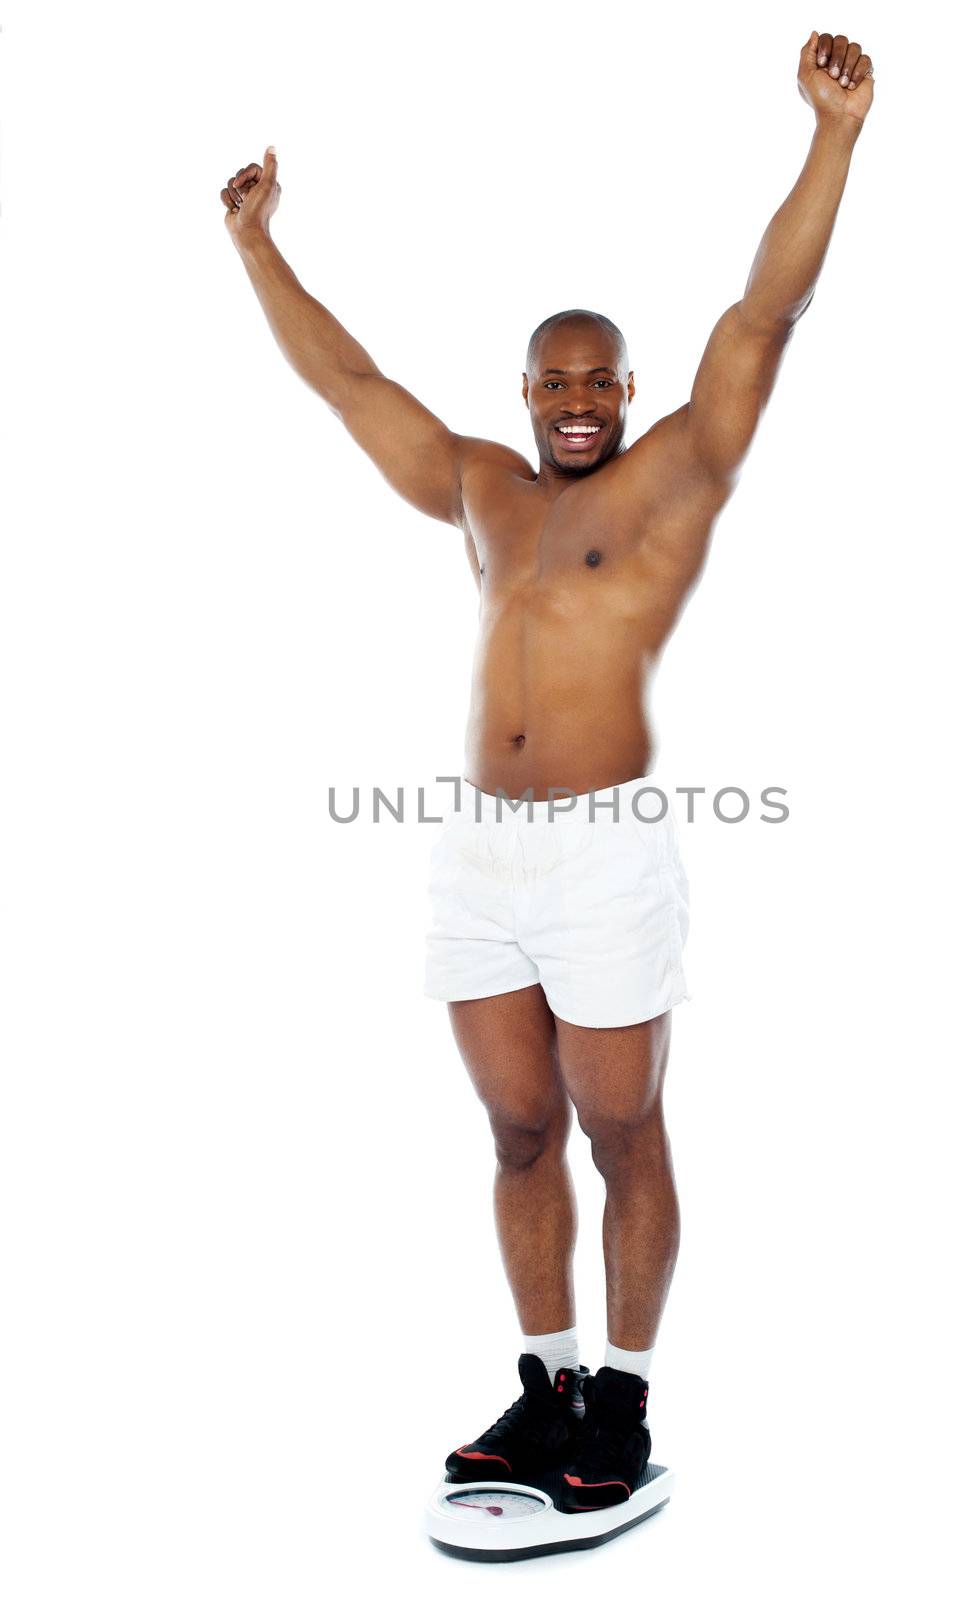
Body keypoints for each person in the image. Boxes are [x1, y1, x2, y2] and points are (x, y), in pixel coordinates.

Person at [221, 29, 874, 1513]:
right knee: (517, 1129)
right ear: (522, 393)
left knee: (617, 1122)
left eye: (597, 377)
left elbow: (762, 314)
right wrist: (262, 246)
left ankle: (626, 1406)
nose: (575, 398)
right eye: (551, 381)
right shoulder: (483, 489)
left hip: (602, 848)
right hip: (478, 853)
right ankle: (547, 1382)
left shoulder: (676, 472)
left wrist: (830, 134)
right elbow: (350, 381)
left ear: (628, 388)